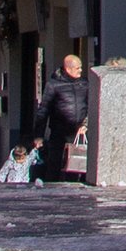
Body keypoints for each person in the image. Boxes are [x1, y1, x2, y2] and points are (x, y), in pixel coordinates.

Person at [31, 53, 87, 185]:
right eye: (78, 68)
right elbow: (43, 110)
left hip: (79, 131)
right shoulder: (53, 85)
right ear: (68, 69)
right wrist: (39, 135)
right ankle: (52, 190)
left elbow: (91, 105)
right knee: (55, 163)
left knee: (78, 164)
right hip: (59, 131)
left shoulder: (84, 84)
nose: (81, 70)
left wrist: (86, 123)